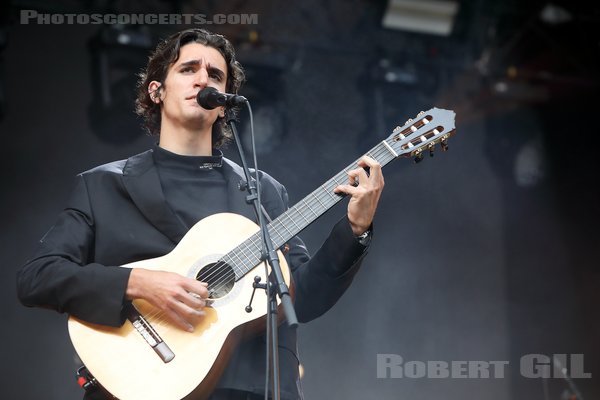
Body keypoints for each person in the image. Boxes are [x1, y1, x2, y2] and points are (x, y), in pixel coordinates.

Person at [16, 28, 384, 400]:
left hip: (251, 388)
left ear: (222, 104)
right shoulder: (102, 187)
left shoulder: (263, 191)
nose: (203, 79)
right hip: (137, 383)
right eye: (188, 69)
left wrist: (355, 228)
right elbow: (37, 277)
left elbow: (301, 297)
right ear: (155, 91)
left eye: (216, 75)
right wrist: (138, 282)